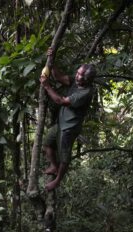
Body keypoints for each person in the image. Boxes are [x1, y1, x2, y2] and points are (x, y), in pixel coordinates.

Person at [40, 48, 96, 191]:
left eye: (80, 75)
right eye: (77, 73)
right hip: (61, 123)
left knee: (65, 158)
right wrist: (52, 60)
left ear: (87, 79)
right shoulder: (76, 82)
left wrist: (47, 86)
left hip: (69, 128)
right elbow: (59, 77)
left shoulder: (85, 92)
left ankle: (57, 181)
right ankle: (54, 166)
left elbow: (60, 101)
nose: (77, 76)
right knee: (47, 144)